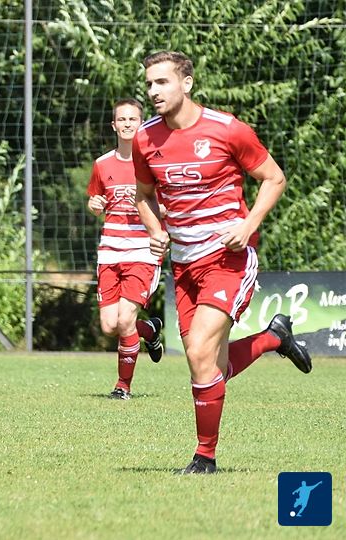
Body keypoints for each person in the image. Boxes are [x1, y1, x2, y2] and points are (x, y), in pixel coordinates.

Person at [133, 51, 311, 474]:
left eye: (162, 82)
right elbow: (143, 195)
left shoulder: (227, 129)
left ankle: (205, 458)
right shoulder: (144, 138)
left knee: (198, 351)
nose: (154, 90)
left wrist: (249, 224)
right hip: (184, 266)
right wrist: (156, 230)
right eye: (150, 83)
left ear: (187, 83)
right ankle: (273, 339)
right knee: (207, 364)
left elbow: (274, 178)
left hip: (227, 260)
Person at [86, 98, 165, 400]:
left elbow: (169, 205)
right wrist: (94, 205)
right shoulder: (102, 164)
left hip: (143, 251)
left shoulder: (155, 163)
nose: (128, 124)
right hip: (110, 252)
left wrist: (153, 214)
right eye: (122, 119)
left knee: (124, 320)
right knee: (110, 326)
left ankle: (123, 386)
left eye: (133, 119)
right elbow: (95, 200)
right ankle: (150, 331)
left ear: (141, 124)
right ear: (114, 125)